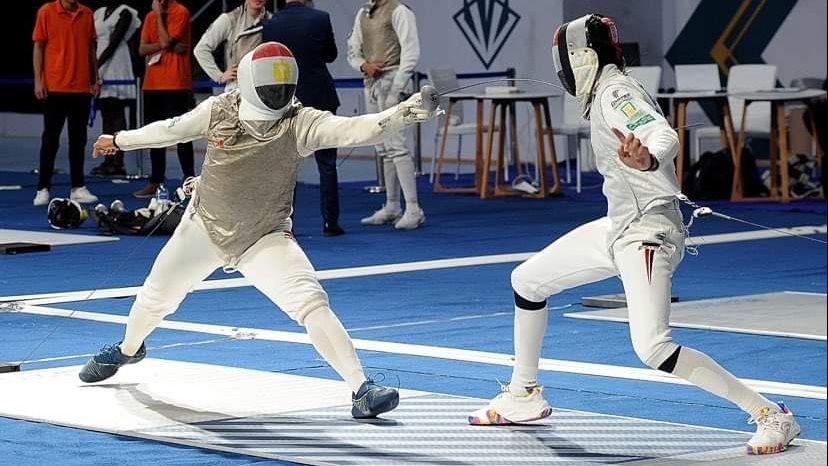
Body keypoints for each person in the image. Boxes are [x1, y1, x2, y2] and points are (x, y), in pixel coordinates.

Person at [469, 14, 801, 456]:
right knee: (527, 281)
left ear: (582, 58)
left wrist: (648, 159)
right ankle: (523, 394)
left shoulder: (615, 92)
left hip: (646, 235)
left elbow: (661, 134)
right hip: (620, 226)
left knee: (653, 348)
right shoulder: (609, 90)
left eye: (563, 59)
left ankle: (771, 414)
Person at [79, 42, 437, 418]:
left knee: (311, 303)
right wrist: (119, 139)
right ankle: (129, 349)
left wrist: (405, 112)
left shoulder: (300, 121)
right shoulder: (220, 109)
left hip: (264, 235)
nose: (276, 94)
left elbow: (355, 129)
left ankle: (361, 389)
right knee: (154, 300)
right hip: (203, 227)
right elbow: (171, 130)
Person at [263, 0, 344, 236]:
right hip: (320, 96)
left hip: (287, 99)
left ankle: (286, 223)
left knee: (286, 164)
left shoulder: (271, 25)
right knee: (327, 162)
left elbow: (269, 62)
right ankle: (330, 222)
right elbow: (330, 55)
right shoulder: (320, 18)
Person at [347, 0, 424, 230]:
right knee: (382, 145)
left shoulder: (399, 10)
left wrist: (397, 89)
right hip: (371, 84)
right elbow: (352, 50)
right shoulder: (363, 13)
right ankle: (392, 206)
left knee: (396, 145)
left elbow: (411, 52)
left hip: (393, 82)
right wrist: (364, 65)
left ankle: (413, 209)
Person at [32, 0, 100, 206]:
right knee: (50, 140)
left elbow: (91, 48)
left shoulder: (86, 14)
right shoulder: (46, 12)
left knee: (78, 141)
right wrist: (38, 80)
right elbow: (39, 47)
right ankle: (43, 188)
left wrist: (95, 78)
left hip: (80, 88)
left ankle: (78, 187)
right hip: (54, 87)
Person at [133, 0, 194, 198]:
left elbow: (168, 42)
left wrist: (159, 16)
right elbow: (142, 49)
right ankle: (155, 181)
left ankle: (189, 180)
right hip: (152, 84)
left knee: (182, 134)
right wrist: (164, 46)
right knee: (155, 135)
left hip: (175, 83)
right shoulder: (149, 17)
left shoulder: (180, 12)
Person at [89, 0, 142, 177]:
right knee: (106, 113)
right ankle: (108, 159)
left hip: (116, 63)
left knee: (117, 112)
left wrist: (96, 66)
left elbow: (114, 42)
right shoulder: (99, 12)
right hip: (99, 62)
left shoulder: (125, 12)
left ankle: (118, 161)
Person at [194, 0, 271, 93]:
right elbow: (201, 49)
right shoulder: (230, 19)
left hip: (265, 88)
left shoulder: (272, 20)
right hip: (237, 89)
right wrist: (219, 76)